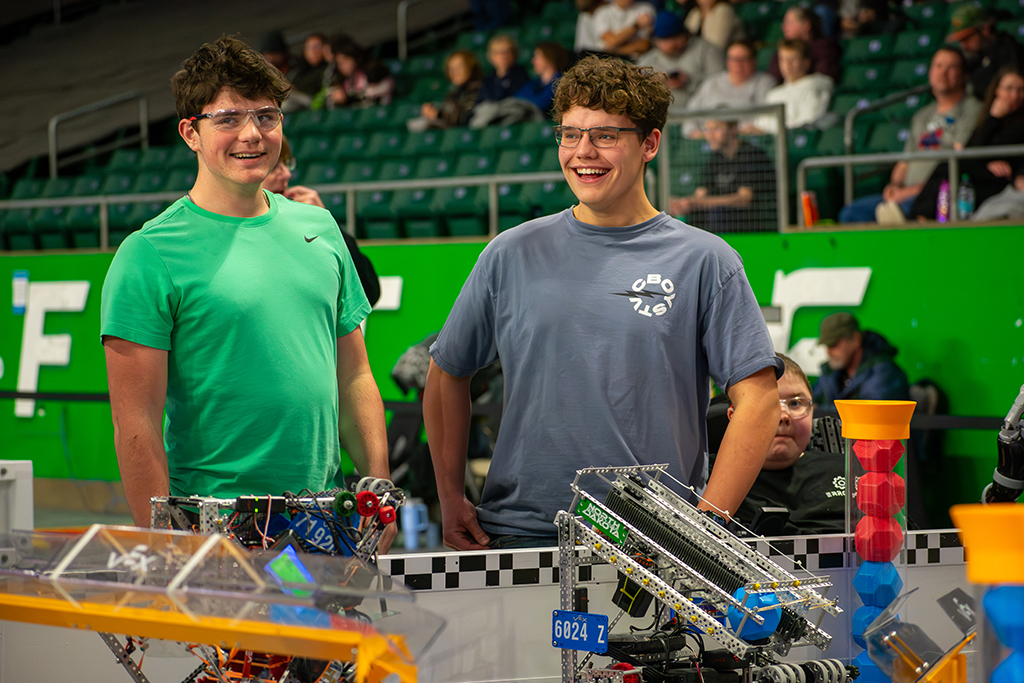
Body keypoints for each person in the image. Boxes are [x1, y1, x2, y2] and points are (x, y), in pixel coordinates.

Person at [424, 55, 783, 550]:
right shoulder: (510, 252)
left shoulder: (705, 260)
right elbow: (446, 373)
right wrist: (449, 496)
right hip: (522, 536)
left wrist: (705, 524)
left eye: (605, 136)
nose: (582, 152)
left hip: (655, 545)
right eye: (570, 134)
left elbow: (760, 400)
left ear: (650, 143)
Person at [100, 38, 393, 549]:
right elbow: (135, 420)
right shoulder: (148, 254)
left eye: (267, 116)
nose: (253, 134)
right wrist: (164, 543)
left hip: (325, 521)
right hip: (213, 531)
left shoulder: (320, 228)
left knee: (324, 632)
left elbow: (355, 376)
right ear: (190, 132)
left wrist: (379, 493)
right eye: (229, 118)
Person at [838, 47, 983, 224]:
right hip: (905, 193)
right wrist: (894, 187)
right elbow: (904, 162)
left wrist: (913, 191)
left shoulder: (972, 109)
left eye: (951, 67)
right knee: (852, 213)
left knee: (909, 210)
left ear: (964, 75)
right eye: (938, 66)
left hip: (940, 195)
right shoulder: (922, 115)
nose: (943, 73)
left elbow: (958, 163)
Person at [715, 353, 845, 535]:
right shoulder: (712, 480)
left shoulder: (846, 469)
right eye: (768, 404)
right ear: (733, 417)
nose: (784, 416)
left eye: (795, 403)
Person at [262, 137, 381, 305]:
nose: (287, 174)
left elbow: (367, 293)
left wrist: (326, 225)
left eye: (287, 164)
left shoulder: (306, 229)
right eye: (274, 166)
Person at [908, 68, 1024, 221]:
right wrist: (993, 117)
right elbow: (971, 150)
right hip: (983, 173)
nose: (1014, 95)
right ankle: (920, 216)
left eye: (1021, 90)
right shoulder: (990, 119)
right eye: (1009, 89)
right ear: (997, 91)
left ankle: (920, 217)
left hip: (1004, 180)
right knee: (947, 167)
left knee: (950, 169)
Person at [670, 119, 776, 232]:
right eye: (707, 129)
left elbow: (744, 198)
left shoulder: (752, 155)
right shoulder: (715, 158)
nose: (710, 135)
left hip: (752, 221)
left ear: (733, 130)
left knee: (717, 214)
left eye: (716, 129)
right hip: (720, 218)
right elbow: (700, 195)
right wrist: (683, 202)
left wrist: (703, 202)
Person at [812, 312, 910, 408]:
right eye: (827, 345)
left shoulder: (884, 372)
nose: (829, 351)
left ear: (855, 339)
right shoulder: (831, 372)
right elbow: (809, 402)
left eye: (834, 344)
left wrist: (819, 409)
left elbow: (869, 414)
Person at [636, 11, 725, 112]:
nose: (672, 44)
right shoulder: (647, 61)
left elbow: (722, 84)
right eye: (666, 40)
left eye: (676, 37)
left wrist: (690, 82)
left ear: (685, 34)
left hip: (701, 116)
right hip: (662, 121)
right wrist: (653, 83)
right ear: (656, 41)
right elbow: (636, 93)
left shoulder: (706, 50)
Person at [684, 40, 776, 137]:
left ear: (753, 60)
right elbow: (691, 113)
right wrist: (695, 133)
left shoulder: (765, 83)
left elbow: (764, 118)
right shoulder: (711, 83)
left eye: (743, 59)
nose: (737, 64)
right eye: (733, 59)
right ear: (727, 61)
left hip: (745, 141)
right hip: (707, 140)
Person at [751, 40, 834, 135]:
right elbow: (760, 124)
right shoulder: (774, 94)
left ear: (806, 62)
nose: (787, 65)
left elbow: (806, 124)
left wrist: (767, 129)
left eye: (793, 59)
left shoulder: (814, 87)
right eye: (782, 59)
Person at [946, 5, 1024, 99]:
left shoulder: (1009, 52)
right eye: (960, 41)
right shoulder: (975, 56)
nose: (963, 45)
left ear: (985, 29)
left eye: (967, 38)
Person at [407, 50, 484, 131]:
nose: (454, 72)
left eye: (458, 67)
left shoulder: (479, 88)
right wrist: (433, 111)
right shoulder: (453, 92)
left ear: (470, 67)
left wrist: (439, 114)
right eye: (450, 68)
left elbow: (466, 117)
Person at [767, 7, 841, 83]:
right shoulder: (782, 51)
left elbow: (823, 76)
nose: (784, 27)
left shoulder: (824, 47)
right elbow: (773, 80)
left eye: (789, 22)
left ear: (807, 25)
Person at [514, 42, 572, 116]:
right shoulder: (534, 82)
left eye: (537, 57)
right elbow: (516, 99)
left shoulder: (561, 83)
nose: (533, 61)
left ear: (549, 57)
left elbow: (541, 104)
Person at [593, 0, 657, 58]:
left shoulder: (646, 10)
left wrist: (615, 51)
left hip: (635, 61)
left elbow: (644, 44)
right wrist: (636, 26)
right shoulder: (602, 13)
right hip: (606, 61)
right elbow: (611, 41)